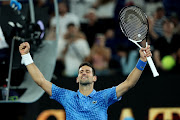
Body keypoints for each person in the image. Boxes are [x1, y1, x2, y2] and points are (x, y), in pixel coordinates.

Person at [19, 42, 152, 120]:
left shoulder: (104, 96)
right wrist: (26, 56)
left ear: (94, 78)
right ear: (77, 79)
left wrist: (142, 61)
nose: (84, 72)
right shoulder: (66, 96)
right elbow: (41, 81)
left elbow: (129, 83)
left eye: (88, 71)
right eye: (81, 71)